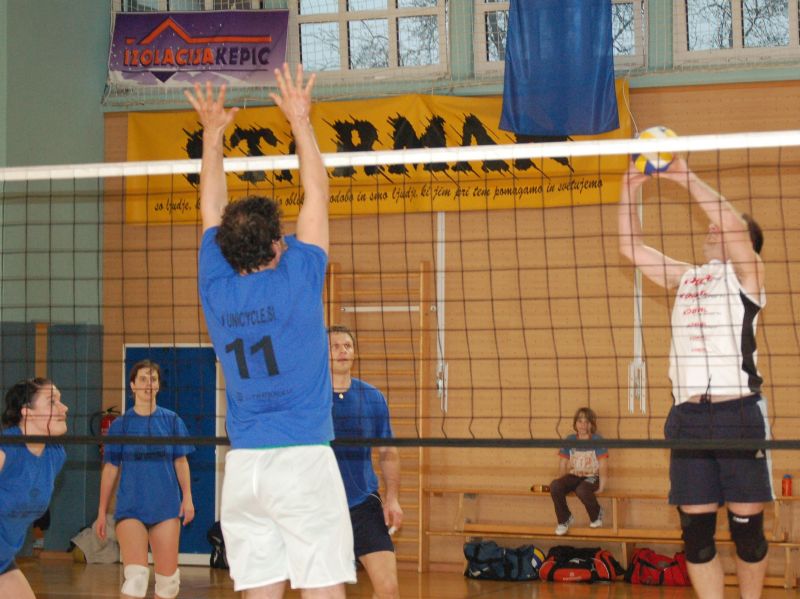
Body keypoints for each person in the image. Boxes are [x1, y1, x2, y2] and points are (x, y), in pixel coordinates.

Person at [186, 63, 355, 599]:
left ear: (227, 251)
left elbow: (210, 207)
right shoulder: (297, 278)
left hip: (244, 471)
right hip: (301, 459)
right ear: (277, 246)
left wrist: (212, 134)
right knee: (322, 587)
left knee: (260, 590)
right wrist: (300, 120)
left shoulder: (215, 285)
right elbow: (318, 193)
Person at [619, 156, 771, 599]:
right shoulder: (687, 278)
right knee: (697, 539)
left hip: (737, 416)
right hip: (688, 419)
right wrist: (629, 187)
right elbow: (631, 248)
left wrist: (684, 176)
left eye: (721, 227)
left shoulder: (748, 278)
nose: (711, 227)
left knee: (747, 535)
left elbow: (731, 226)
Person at [93, 360, 195, 599]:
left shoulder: (172, 421)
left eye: (153, 379)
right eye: (143, 379)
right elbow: (110, 469)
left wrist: (188, 497)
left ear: (158, 385)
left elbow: (181, 461)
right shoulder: (121, 425)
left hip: (166, 507)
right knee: (136, 579)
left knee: (168, 585)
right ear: (132, 385)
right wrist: (101, 511)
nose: (149, 384)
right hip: (131, 508)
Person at [328, 325, 402, 599]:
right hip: (321, 507)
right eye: (335, 346)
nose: (342, 351)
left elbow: (388, 451)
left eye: (347, 346)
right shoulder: (310, 399)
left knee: (389, 590)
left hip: (363, 504)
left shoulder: (372, 397)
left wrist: (392, 499)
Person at [0, 378, 68, 599]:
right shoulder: (6, 448)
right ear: (27, 412)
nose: (64, 408)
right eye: (52, 401)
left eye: (60, 400)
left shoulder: (55, 454)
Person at [549, 407, 608, 535]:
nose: (583, 425)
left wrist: (602, 487)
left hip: (592, 476)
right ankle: (564, 519)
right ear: (575, 423)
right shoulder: (570, 439)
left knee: (582, 490)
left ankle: (597, 514)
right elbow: (563, 463)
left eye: (587, 422)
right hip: (574, 476)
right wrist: (561, 482)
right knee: (555, 485)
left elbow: (603, 464)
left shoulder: (597, 440)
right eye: (580, 421)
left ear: (591, 424)